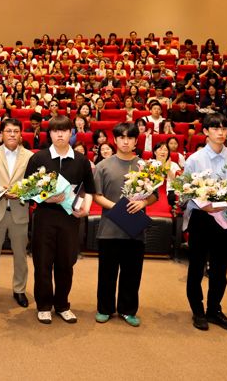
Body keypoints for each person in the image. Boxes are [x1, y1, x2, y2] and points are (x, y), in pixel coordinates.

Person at [182, 113, 227, 331]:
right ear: (205, 132)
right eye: (215, 128)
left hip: (226, 217)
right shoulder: (195, 159)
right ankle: (198, 311)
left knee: (221, 268)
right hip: (201, 217)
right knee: (196, 266)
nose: (221, 132)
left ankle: (214, 310)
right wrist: (204, 205)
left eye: (224, 128)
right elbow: (186, 192)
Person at [24, 115, 96, 324]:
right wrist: (45, 196)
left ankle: (62, 305)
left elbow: (89, 190)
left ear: (71, 133)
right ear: (50, 134)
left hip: (70, 218)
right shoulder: (39, 158)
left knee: (66, 263)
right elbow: (27, 191)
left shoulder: (82, 160)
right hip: (45, 216)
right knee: (43, 262)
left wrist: (85, 209)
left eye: (64, 130)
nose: (60, 134)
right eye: (56, 131)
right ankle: (44, 305)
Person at [93, 122, 159, 327]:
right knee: (107, 272)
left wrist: (143, 202)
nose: (125, 141)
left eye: (130, 138)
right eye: (121, 137)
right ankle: (104, 308)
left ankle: (128, 310)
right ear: (114, 140)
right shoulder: (103, 166)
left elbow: (154, 195)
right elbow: (97, 195)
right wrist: (118, 207)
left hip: (134, 229)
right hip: (109, 228)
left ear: (136, 141)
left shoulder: (144, 166)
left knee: (132, 273)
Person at [0, 118, 33, 308]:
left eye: (16, 131)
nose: (12, 134)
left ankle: (19, 290)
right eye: (8, 131)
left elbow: (34, 184)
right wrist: (0, 191)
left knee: (20, 255)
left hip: (19, 211)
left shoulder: (29, 156)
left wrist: (20, 192)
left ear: (21, 135)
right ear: (1, 134)